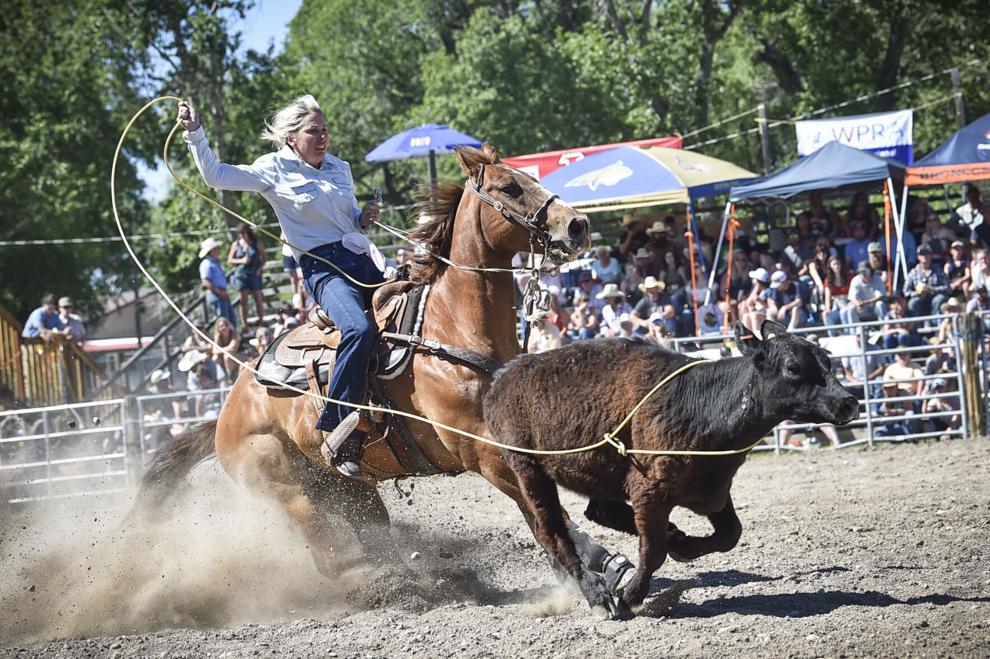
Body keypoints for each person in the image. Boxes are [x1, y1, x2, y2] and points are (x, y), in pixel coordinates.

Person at [179, 95, 382, 476]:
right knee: (357, 327)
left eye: (324, 130)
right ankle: (338, 427)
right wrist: (195, 133)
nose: (323, 137)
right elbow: (216, 176)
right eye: (313, 131)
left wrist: (362, 217)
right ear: (291, 138)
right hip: (324, 269)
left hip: (361, 259)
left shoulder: (340, 168)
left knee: (413, 308)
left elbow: (347, 220)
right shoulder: (273, 169)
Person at [228, 222, 266, 328]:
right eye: (240, 234)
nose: (241, 236)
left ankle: (261, 321)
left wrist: (259, 269)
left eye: (243, 233)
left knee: (258, 298)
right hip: (241, 275)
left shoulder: (257, 243)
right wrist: (241, 260)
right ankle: (244, 323)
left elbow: (264, 259)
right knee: (243, 300)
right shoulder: (236, 244)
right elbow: (230, 259)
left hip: (254, 274)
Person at [198, 237, 237, 329]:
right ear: (210, 251)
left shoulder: (215, 263)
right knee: (223, 322)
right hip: (217, 294)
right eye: (215, 249)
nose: (218, 250)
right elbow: (206, 282)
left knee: (230, 321)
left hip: (221, 293)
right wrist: (219, 292)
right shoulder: (207, 264)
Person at [903, 244, 950, 320]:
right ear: (918, 257)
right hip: (919, 298)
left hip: (934, 297)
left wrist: (933, 289)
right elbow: (906, 291)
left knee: (939, 299)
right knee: (913, 303)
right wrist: (916, 293)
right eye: (922, 254)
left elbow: (947, 288)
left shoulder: (938, 270)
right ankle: (917, 326)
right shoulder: (913, 272)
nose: (924, 256)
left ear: (931, 256)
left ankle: (936, 325)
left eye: (927, 254)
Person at [842, 262, 888, 329]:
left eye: (865, 271)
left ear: (870, 271)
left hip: (874, 307)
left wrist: (866, 302)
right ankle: (855, 333)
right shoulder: (856, 280)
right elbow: (852, 298)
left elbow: (880, 296)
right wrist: (858, 304)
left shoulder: (877, 279)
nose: (862, 274)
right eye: (860, 272)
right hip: (862, 309)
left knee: (880, 304)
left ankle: (884, 329)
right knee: (851, 308)